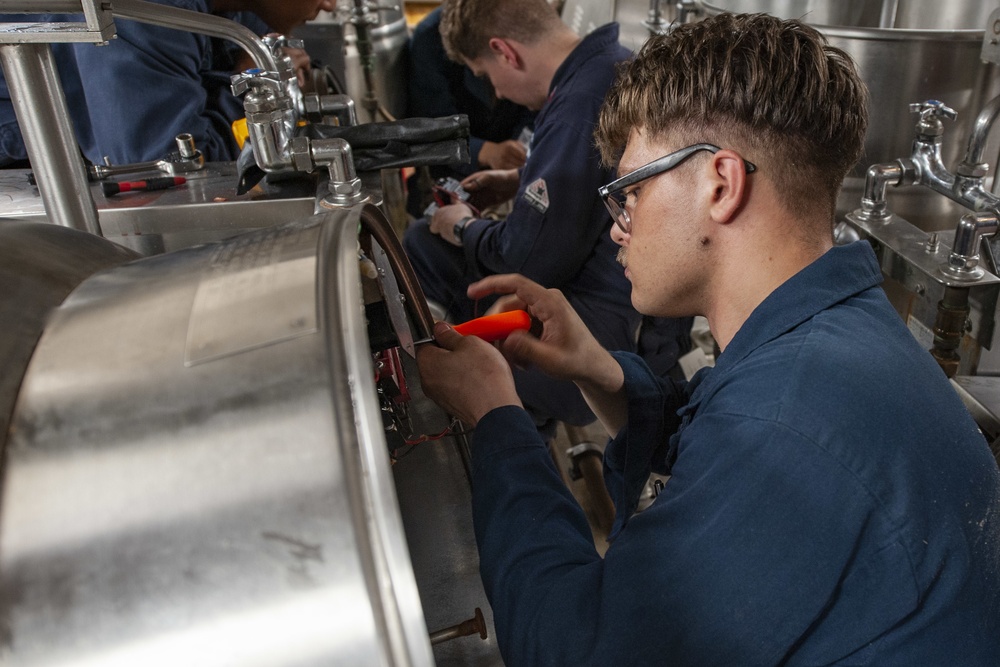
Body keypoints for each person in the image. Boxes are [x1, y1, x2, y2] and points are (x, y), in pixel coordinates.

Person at [416, 12, 1000, 665]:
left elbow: (574, 648)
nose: (618, 225)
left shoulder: (786, 422)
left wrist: (498, 417)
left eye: (630, 190)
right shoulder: (836, 337)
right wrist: (599, 370)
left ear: (721, 183)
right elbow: (709, 431)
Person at [404, 0, 690, 427]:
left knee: (423, 241)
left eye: (487, 76)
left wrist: (463, 225)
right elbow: (589, 185)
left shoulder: (575, 109)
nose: (496, 93)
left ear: (506, 52)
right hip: (644, 313)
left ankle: (500, 420)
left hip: (603, 334)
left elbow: (526, 258)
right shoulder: (613, 65)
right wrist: (521, 178)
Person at [0, 0, 333, 167]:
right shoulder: (147, 12)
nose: (330, 5)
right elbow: (171, 169)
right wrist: (251, 87)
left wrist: (255, 70)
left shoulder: (231, 11)